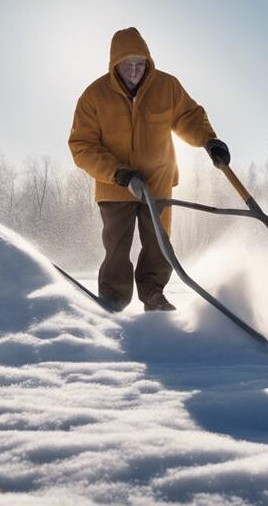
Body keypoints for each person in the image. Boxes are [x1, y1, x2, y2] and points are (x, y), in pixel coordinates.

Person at [69, 27, 230, 312]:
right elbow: (82, 146)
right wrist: (119, 173)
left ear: (148, 62)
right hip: (115, 184)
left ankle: (154, 294)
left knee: (159, 242)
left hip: (157, 180)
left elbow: (189, 117)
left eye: (140, 63)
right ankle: (113, 300)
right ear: (115, 65)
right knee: (116, 246)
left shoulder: (167, 87)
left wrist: (209, 140)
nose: (134, 71)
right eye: (128, 64)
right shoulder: (94, 96)